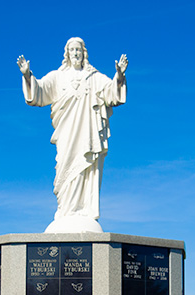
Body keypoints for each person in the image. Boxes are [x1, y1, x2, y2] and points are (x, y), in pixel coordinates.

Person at [18, 38, 127, 230]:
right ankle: (66, 210)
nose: (75, 53)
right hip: (66, 132)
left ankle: (84, 210)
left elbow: (111, 93)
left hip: (87, 132)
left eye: (78, 50)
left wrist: (119, 76)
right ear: (66, 54)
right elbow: (39, 93)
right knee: (65, 165)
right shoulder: (57, 76)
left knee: (86, 166)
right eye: (72, 50)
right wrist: (28, 76)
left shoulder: (94, 77)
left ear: (84, 53)